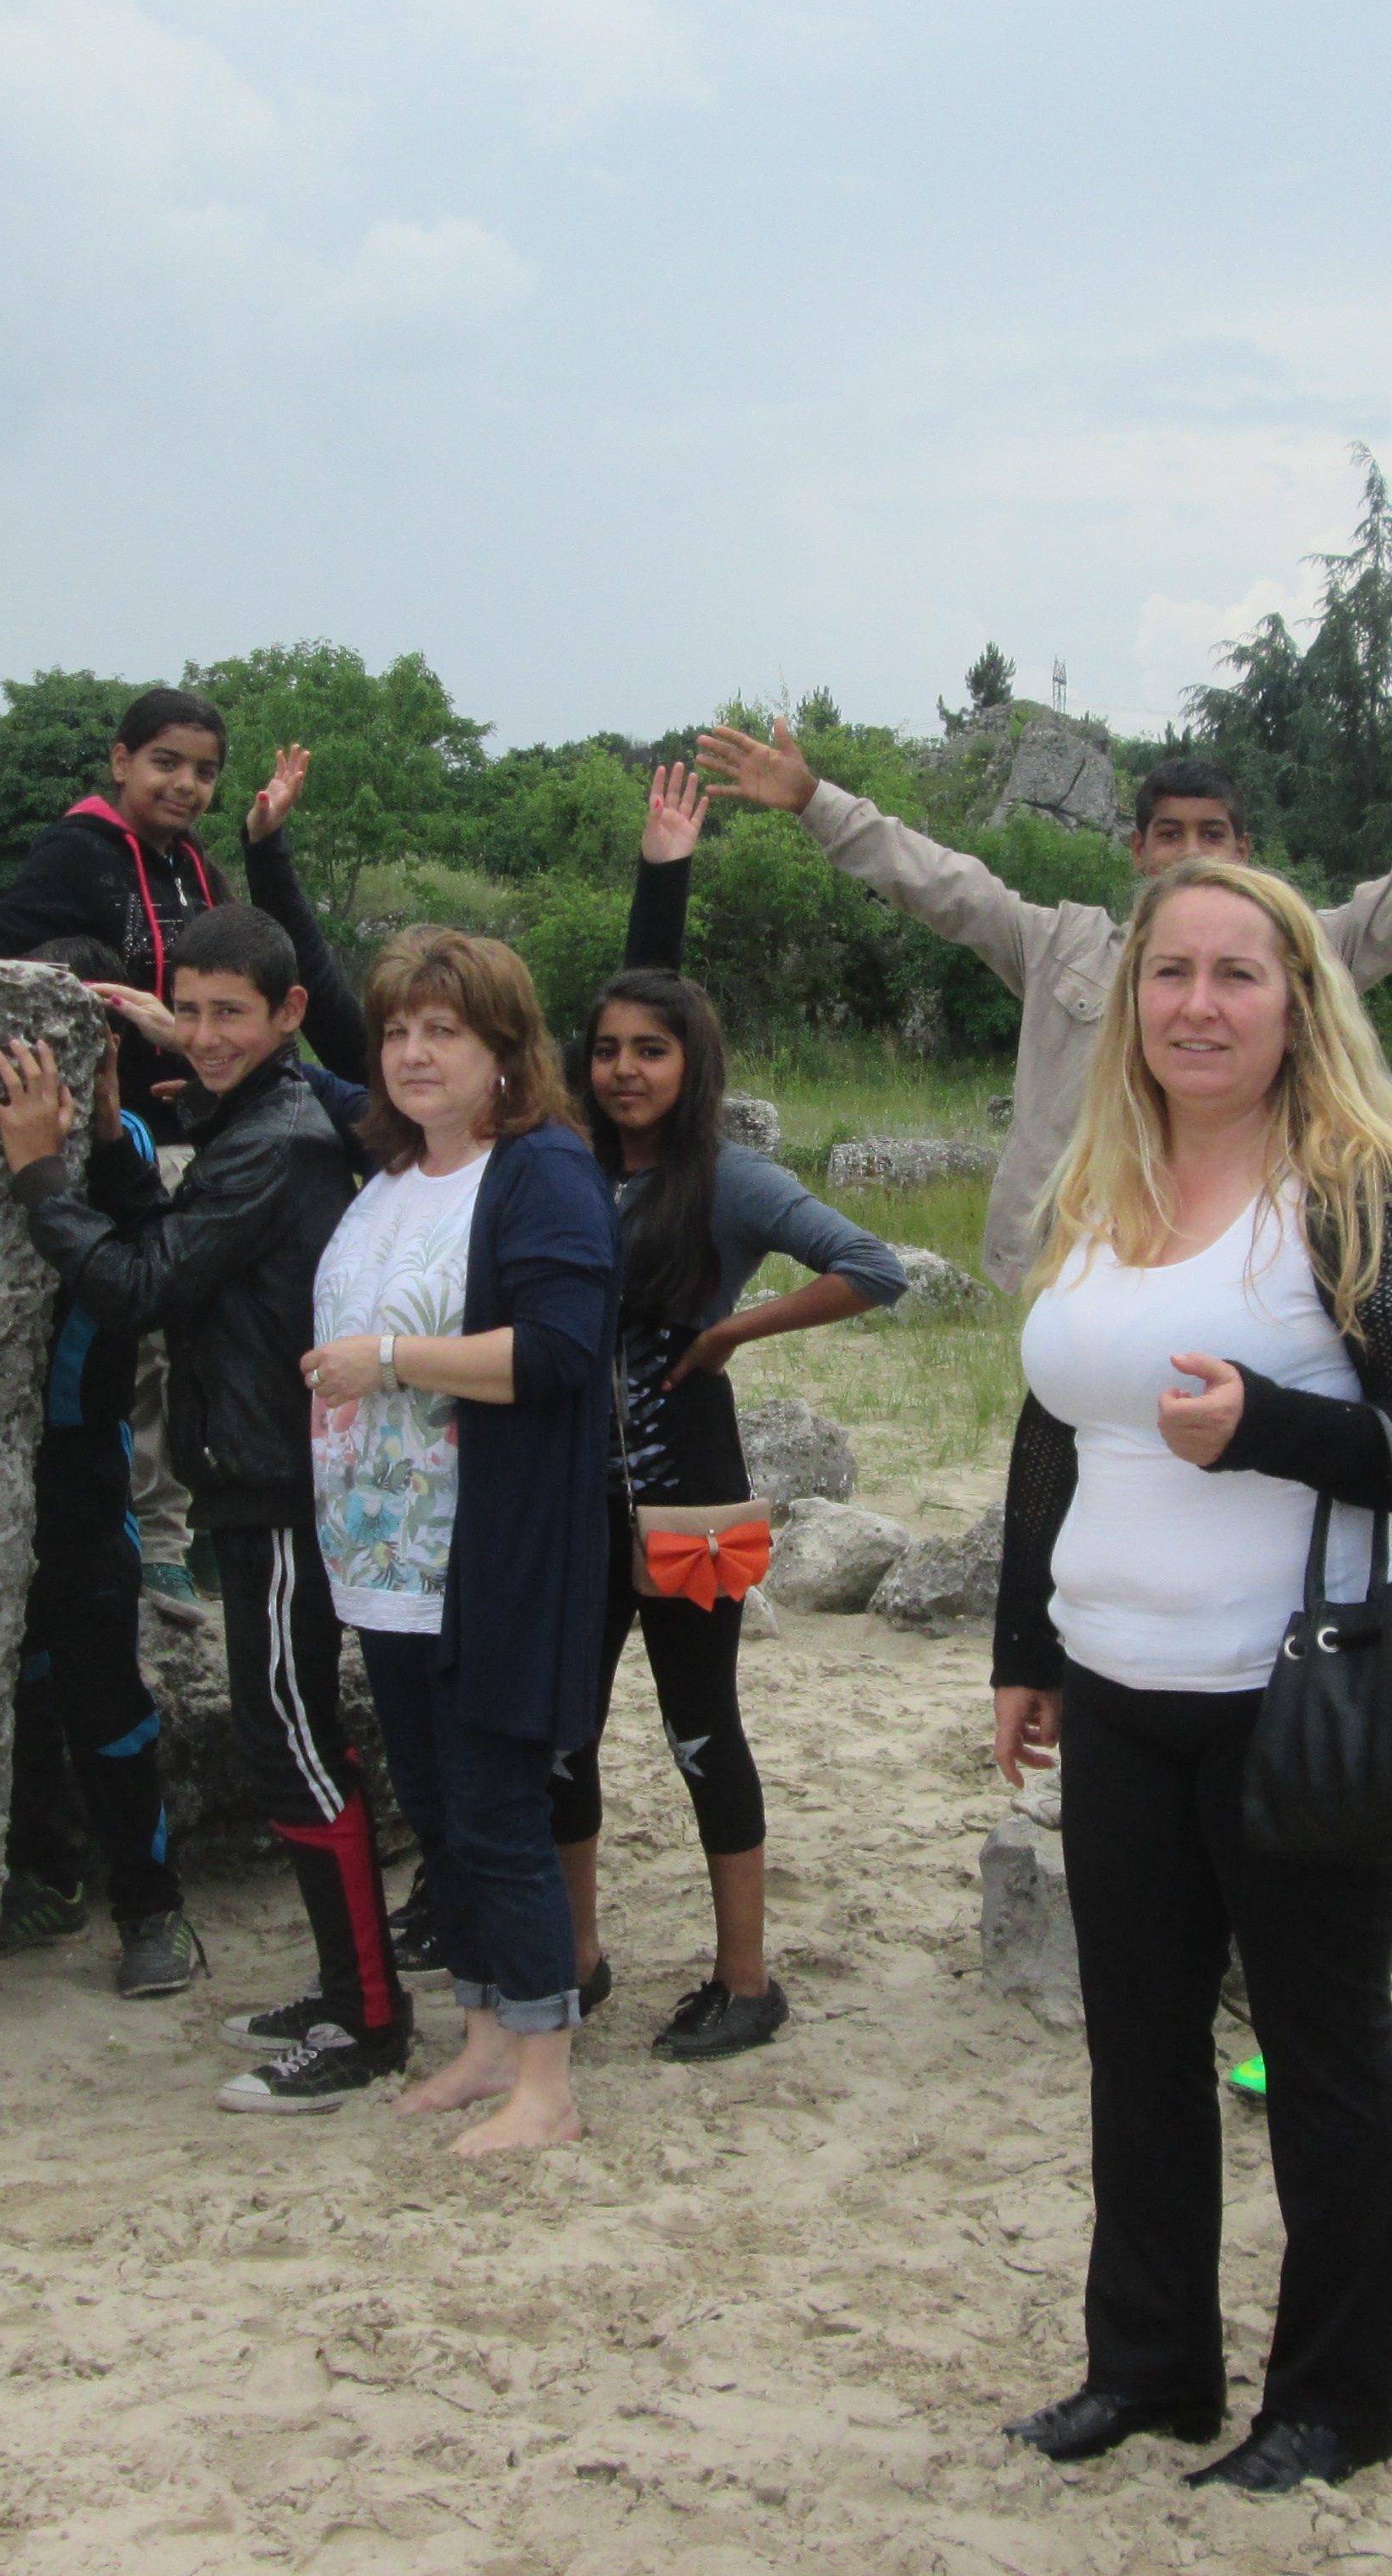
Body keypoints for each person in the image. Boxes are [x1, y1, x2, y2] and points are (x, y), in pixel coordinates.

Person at [988, 856, 1392, 2496]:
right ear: (1128, 1002)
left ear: (1297, 1004)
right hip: (1115, 1686)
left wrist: (1266, 1429)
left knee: (1321, 2052)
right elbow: (1055, 1421)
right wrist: (1024, 1648)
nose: (1197, 1005)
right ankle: (1148, 2367)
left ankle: (1336, 2403)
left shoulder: (1356, 1192)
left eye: (1237, 975)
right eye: (1170, 973)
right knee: (1137, 2047)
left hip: (1300, 1693)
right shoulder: (1101, 1177)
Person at [693, 665, 1392, 1291]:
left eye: (1212, 835)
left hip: (1239, 1264)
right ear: (1137, 849)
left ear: (1245, 850)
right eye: (1170, 834)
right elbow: (936, 880)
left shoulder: (1303, 954)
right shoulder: (1061, 947)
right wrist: (815, 800)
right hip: (1071, 1260)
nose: (1190, 853)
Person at [0, 904, 385, 2097]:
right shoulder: (253, 1118)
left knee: (293, 1741)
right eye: (188, 1012)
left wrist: (37, 1169)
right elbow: (174, 1238)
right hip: (251, 1473)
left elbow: (141, 1283)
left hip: (278, 1480)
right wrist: (108, 1135)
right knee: (280, 1735)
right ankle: (343, 1990)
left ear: (288, 1014)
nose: (202, 1037)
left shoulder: (278, 1139)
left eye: (229, 1015)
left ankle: (364, 2019)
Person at [548, 766, 905, 2059]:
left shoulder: (732, 1179)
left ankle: (746, 1981)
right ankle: (576, 1958)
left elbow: (875, 1268)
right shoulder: (562, 1160)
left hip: (695, 1493)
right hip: (572, 1504)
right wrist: (660, 876)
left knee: (703, 1731)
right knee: (563, 1739)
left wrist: (730, 1332)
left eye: (652, 1051)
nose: (625, 1069)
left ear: (692, 1064)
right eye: (607, 1050)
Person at [300, 926, 619, 2156]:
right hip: (386, 1564)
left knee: (497, 1815)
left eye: (444, 1029)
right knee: (439, 1818)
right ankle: (484, 2037)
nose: (413, 1052)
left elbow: (558, 1351)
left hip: (489, 1559)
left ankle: (548, 2082)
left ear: (505, 1048)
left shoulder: (542, 1172)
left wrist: (387, 1358)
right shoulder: (390, 1173)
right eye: (397, 1030)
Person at [0, 697, 366, 1623]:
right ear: (120, 761)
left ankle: (187, 1527)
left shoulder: (194, 870)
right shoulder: (79, 855)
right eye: (165, 763)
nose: (186, 785)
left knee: (206, 1336)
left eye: (204, 771)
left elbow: (267, 973)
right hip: (127, 1126)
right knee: (142, 1349)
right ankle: (158, 1538)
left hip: (207, 1129)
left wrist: (264, 850)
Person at [0, 935, 198, 2004]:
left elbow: (134, 1282)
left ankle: (151, 1909)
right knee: (12, 1679)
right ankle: (45, 1875)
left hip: (80, 1461)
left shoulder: (125, 1144)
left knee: (102, 1685)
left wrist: (87, 1137)